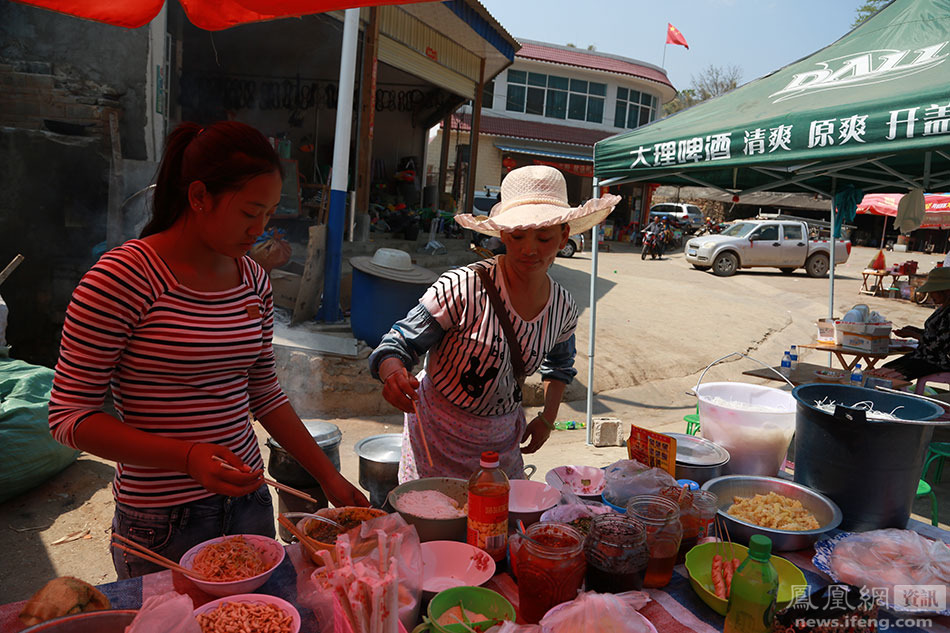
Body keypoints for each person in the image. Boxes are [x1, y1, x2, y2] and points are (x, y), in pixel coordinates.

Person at [49, 121, 368, 580]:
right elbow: (69, 418)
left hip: (249, 504)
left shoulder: (253, 281)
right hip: (162, 523)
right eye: (248, 213)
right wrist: (187, 457)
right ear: (199, 197)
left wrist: (327, 476)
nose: (259, 230)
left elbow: (264, 392)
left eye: (269, 215)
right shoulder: (121, 280)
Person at [369, 166, 619, 482]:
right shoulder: (463, 287)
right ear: (502, 234)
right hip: (435, 438)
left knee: (499, 522)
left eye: (543, 237)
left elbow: (559, 366)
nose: (530, 250)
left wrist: (547, 418)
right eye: (517, 236)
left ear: (564, 236)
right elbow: (398, 344)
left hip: (502, 441)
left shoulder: (563, 308)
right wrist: (393, 374)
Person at [877, 267, 950, 381]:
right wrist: (915, 330)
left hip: (939, 361)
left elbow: (938, 343)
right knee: (885, 369)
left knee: (891, 376)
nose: (930, 295)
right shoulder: (943, 308)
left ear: (946, 291)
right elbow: (934, 333)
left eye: (933, 292)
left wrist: (913, 334)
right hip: (924, 356)